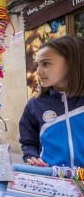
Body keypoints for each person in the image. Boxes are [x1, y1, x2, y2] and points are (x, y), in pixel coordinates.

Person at [19, 35, 84, 167]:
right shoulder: (34, 105)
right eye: (37, 65)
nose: (38, 71)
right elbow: (29, 142)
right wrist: (32, 157)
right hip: (51, 180)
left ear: (72, 62)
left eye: (46, 64)